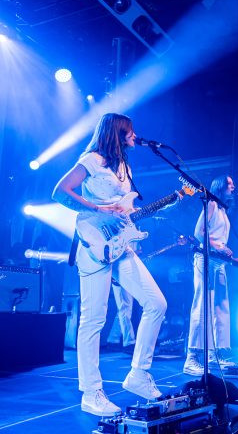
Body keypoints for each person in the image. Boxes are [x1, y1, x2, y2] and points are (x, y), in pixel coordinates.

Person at [53, 113, 168, 417]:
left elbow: (124, 207)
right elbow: (60, 191)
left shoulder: (125, 168)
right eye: (130, 131)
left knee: (156, 303)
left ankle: (138, 375)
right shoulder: (92, 159)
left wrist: (134, 221)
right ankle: (91, 393)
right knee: (94, 319)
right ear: (117, 132)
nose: (135, 136)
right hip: (93, 244)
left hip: (121, 245)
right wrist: (98, 208)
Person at [183, 175, 236, 376]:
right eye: (229, 183)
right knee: (202, 305)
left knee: (220, 306)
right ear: (220, 187)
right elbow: (199, 233)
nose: (233, 186)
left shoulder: (223, 209)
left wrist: (226, 251)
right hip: (205, 259)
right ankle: (191, 358)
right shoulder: (212, 204)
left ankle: (215, 354)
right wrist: (219, 247)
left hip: (219, 261)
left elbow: (217, 237)